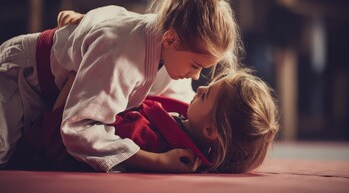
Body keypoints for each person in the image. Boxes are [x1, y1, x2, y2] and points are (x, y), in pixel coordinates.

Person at [0, 0, 243, 172]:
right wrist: (157, 161)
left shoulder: (164, 40)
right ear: (170, 39)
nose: (195, 77)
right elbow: (79, 129)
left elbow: (185, 107)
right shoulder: (122, 52)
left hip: (50, 96)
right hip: (21, 79)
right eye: (195, 65)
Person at [7, 68, 279, 173]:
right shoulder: (183, 124)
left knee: (82, 63)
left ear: (210, 130)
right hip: (55, 127)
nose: (200, 88)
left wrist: (80, 75)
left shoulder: (150, 139)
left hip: (44, 137)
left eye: (207, 96)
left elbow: (63, 142)